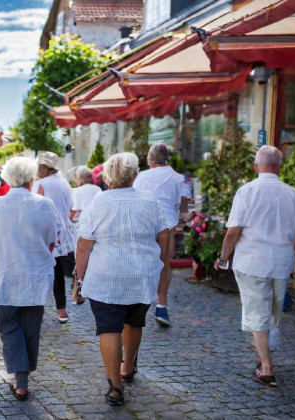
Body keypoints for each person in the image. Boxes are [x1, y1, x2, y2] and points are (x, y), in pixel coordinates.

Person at [76, 153, 168, 406]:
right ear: (134, 174)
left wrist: (79, 279)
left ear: (108, 175)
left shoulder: (98, 202)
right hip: (141, 273)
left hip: (106, 275)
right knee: (134, 322)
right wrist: (161, 262)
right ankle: (128, 367)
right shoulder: (150, 201)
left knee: (109, 328)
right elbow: (164, 234)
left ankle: (115, 386)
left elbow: (84, 245)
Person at [216, 145, 295, 388]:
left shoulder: (247, 191)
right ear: (279, 167)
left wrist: (224, 258)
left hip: (252, 261)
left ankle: (267, 367)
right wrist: (292, 248)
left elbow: (233, 232)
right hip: (281, 262)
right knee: (272, 312)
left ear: (256, 166)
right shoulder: (293, 193)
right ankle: (262, 357)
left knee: (259, 312)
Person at [0, 157, 60, 401]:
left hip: (7, 272)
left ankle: (21, 380)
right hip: (35, 274)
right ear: (31, 177)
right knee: (30, 327)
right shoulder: (44, 204)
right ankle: (22, 381)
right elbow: (51, 239)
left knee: (8, 326)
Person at [133, 143, 190, 327]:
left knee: (141, 263)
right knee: (164, 265)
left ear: (150, 160)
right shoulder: (180, 179)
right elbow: (184, 210)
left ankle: (136, 305)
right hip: (167, 225)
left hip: (144, 224)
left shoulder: (141, 177)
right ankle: (161, 305)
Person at [33, 151, 74, 323]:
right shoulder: (64, 182)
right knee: (57, 273)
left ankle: (35, 308)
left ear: (44, 167)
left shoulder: (41, 183)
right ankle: (61, 310)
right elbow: (71, 206)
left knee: (41, 271)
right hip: (65, 233)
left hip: (48, 233)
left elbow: (36, 207)